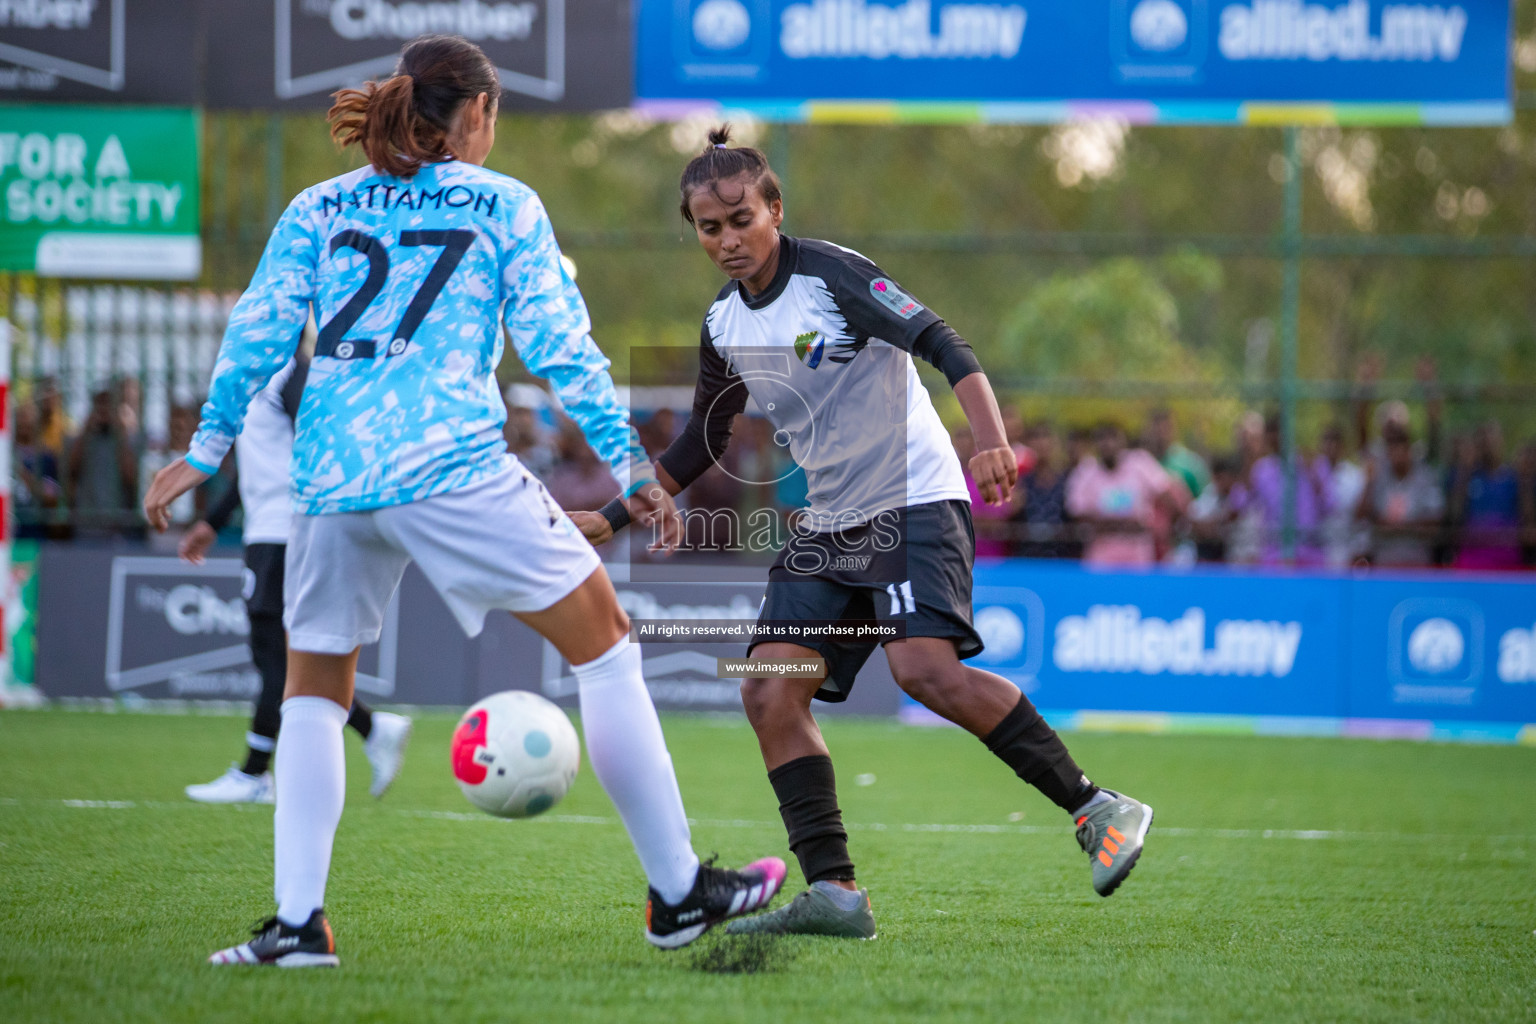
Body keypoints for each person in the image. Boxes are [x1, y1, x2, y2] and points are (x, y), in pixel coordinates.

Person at [143, 36, 783, 967]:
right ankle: (680, 893)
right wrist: (632, 469)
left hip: (329, 480)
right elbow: (562, 348)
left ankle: (295, 925)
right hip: (448, 465)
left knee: (313, 691)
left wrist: (203, 451)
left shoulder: (318, 204)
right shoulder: (502, 203)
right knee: (605, 646)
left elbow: (260, 333)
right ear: (478, 112)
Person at [573, 127, 1151, 939]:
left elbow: (944, 342)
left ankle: (1098, 807)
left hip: (913, 497)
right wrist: (607, 516)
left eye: (742, 219)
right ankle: (837, 893)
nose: (729, 239)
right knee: (770, 688)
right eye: (710, 228)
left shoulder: (833, 276)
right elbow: (705, 435)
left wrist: (990, 439)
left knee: (926, 672)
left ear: (775, 209)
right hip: (832, 520)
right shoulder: (724, 325)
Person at [179, 355, 413, 805]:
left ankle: (254, 774)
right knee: (285, 656)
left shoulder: (287, 368)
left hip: (289, 528)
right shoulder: (255, 371)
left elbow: (317, 430)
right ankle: (371, 728)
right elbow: (257, 461)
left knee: (277, 656)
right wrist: (214, 521)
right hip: (268, 528)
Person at [1065, 421, 1183, 566]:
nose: (1108, 443)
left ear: (1123, 441)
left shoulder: (1140, 463)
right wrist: (1114, 524)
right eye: (1102, 438)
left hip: (1138, 550)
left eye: (1113, 438)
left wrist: (1164, 528)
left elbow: (1168, 495)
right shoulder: (1085, 471)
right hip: (1101, 551)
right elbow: (1076, 511)